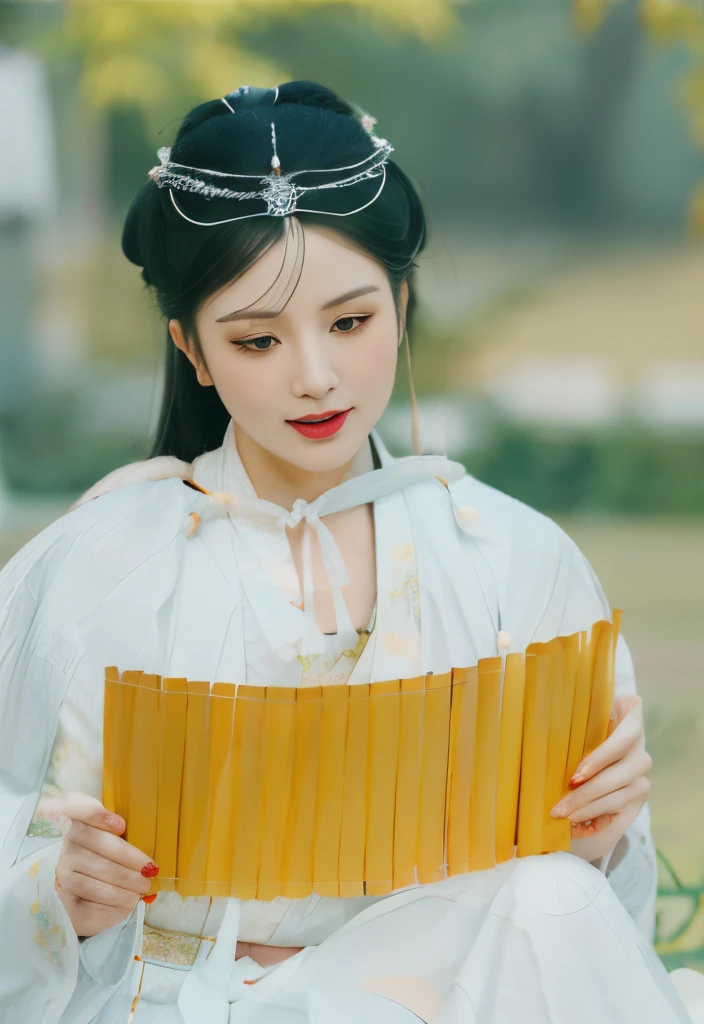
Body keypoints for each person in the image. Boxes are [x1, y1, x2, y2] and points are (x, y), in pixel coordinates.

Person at [0, 81, 697, 1024]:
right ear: (192, 349)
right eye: (257, 339)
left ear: (402, 304)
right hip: (180, 1002)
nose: (316, 375)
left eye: (351, 321)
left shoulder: (514, 561)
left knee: (556, 899)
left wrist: (602, 838)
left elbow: (591, 931)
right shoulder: (109, 566)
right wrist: (55, 897)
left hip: (446, 995)